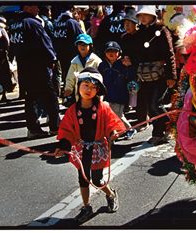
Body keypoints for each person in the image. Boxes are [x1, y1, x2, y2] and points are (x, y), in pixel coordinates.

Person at [54, 67, 125, 224]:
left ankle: (111, 194)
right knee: (83, 178)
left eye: (94, 87)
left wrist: (113, 132)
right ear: (78, 85)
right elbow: (67, 130)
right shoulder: (73, 110)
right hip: (81, 148)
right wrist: (63, 145)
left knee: (98, 179)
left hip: (98, 147)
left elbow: (111, 123)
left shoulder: (103, 108)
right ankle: (86, 207)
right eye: (85, 85)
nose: (89, 90)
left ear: (98, 90)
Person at [8, 5, 60, 138]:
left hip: (24, 66)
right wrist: (52, 59)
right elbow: (44, 42)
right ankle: (55, 127)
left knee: (30, 97)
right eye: (35, 5)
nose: (38, 8)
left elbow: (12, 46)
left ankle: (33, 128)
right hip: (38, 66)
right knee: (50, 96)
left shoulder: (15, 24)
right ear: (27, 7)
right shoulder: (32, 23)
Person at [133, 5, 177, 145]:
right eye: (140, 15)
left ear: (153, 15)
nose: (143, 18)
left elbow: (169, 54)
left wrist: (172, 76)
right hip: (145, 75)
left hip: (161, 75)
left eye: (146, 14)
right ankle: (161, 130)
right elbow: (137, 54)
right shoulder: (139, 33)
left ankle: (164, 130)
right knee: (148, 104)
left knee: (155, 104)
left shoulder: (162, 30)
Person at [98, 41, 137, 140]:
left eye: (114, 51)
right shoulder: (102, 65)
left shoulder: (123, 64)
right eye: (108, 51)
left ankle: (130, 129)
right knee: (110, 114)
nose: (111, 53)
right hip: (107, 94)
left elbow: (131, 77)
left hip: (120, 94)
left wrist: (129, 66)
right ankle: (114, 131)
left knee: (118, 114)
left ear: (119, 52)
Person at [64, 33, 102, 103]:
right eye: (79, 44)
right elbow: (70, 77)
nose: (82, 46)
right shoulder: (74, 62)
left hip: (93, 93)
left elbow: (101, 78)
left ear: (90, 46)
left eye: (84, 44)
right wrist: (68, 88)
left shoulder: (97, 60)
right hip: (79, 94)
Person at [53, 5, 83, 88]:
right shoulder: (72, 22)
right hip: (71, 54)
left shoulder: (56, 23)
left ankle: (66, 91)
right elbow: (81, 37)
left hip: (59, 54)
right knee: (73, 74)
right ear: (72, 10)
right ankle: (71, 93)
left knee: (64, 74)